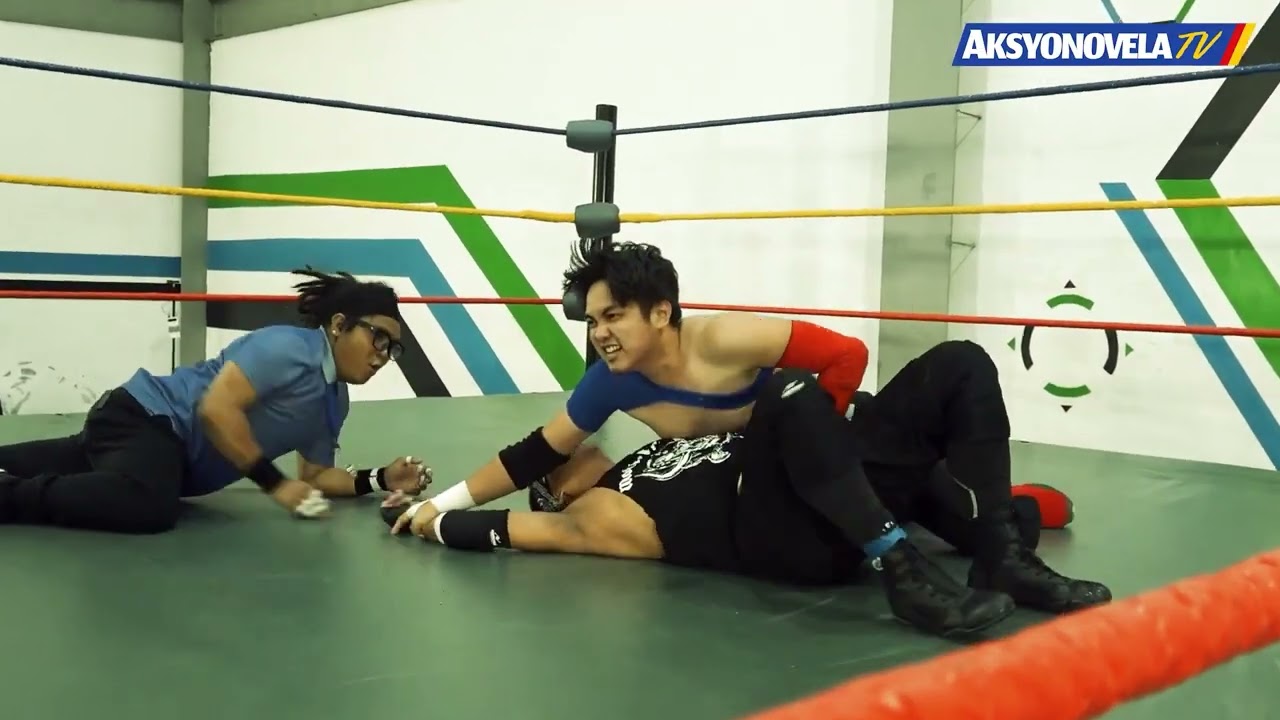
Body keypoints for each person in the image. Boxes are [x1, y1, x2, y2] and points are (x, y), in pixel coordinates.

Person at [384, 240, 1103, 637]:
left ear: (660, 312)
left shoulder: (717, 349)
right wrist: (437, 516)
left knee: (961, 363)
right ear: (559, 492)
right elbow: (531, 469)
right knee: (786, 396)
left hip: (824, 471)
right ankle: (906, 571)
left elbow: (844, 358)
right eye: (593, 321)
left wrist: (827, 433)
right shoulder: (598, 508)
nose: (598, 333)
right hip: (782, 527)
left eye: (613, 316)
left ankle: (1001, 553)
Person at [0, 268, 430, 534]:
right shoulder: (288, 348)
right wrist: (275, 484)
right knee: (148, 505)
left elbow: (316, 476)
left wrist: (380, 479)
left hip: (156, 454)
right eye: (378, 338)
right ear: (339, 324)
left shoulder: (335, 400)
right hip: (148, 419)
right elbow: (215, 409)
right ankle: (10, 498)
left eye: (392, 348)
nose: (383, 356)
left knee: (87, 462)